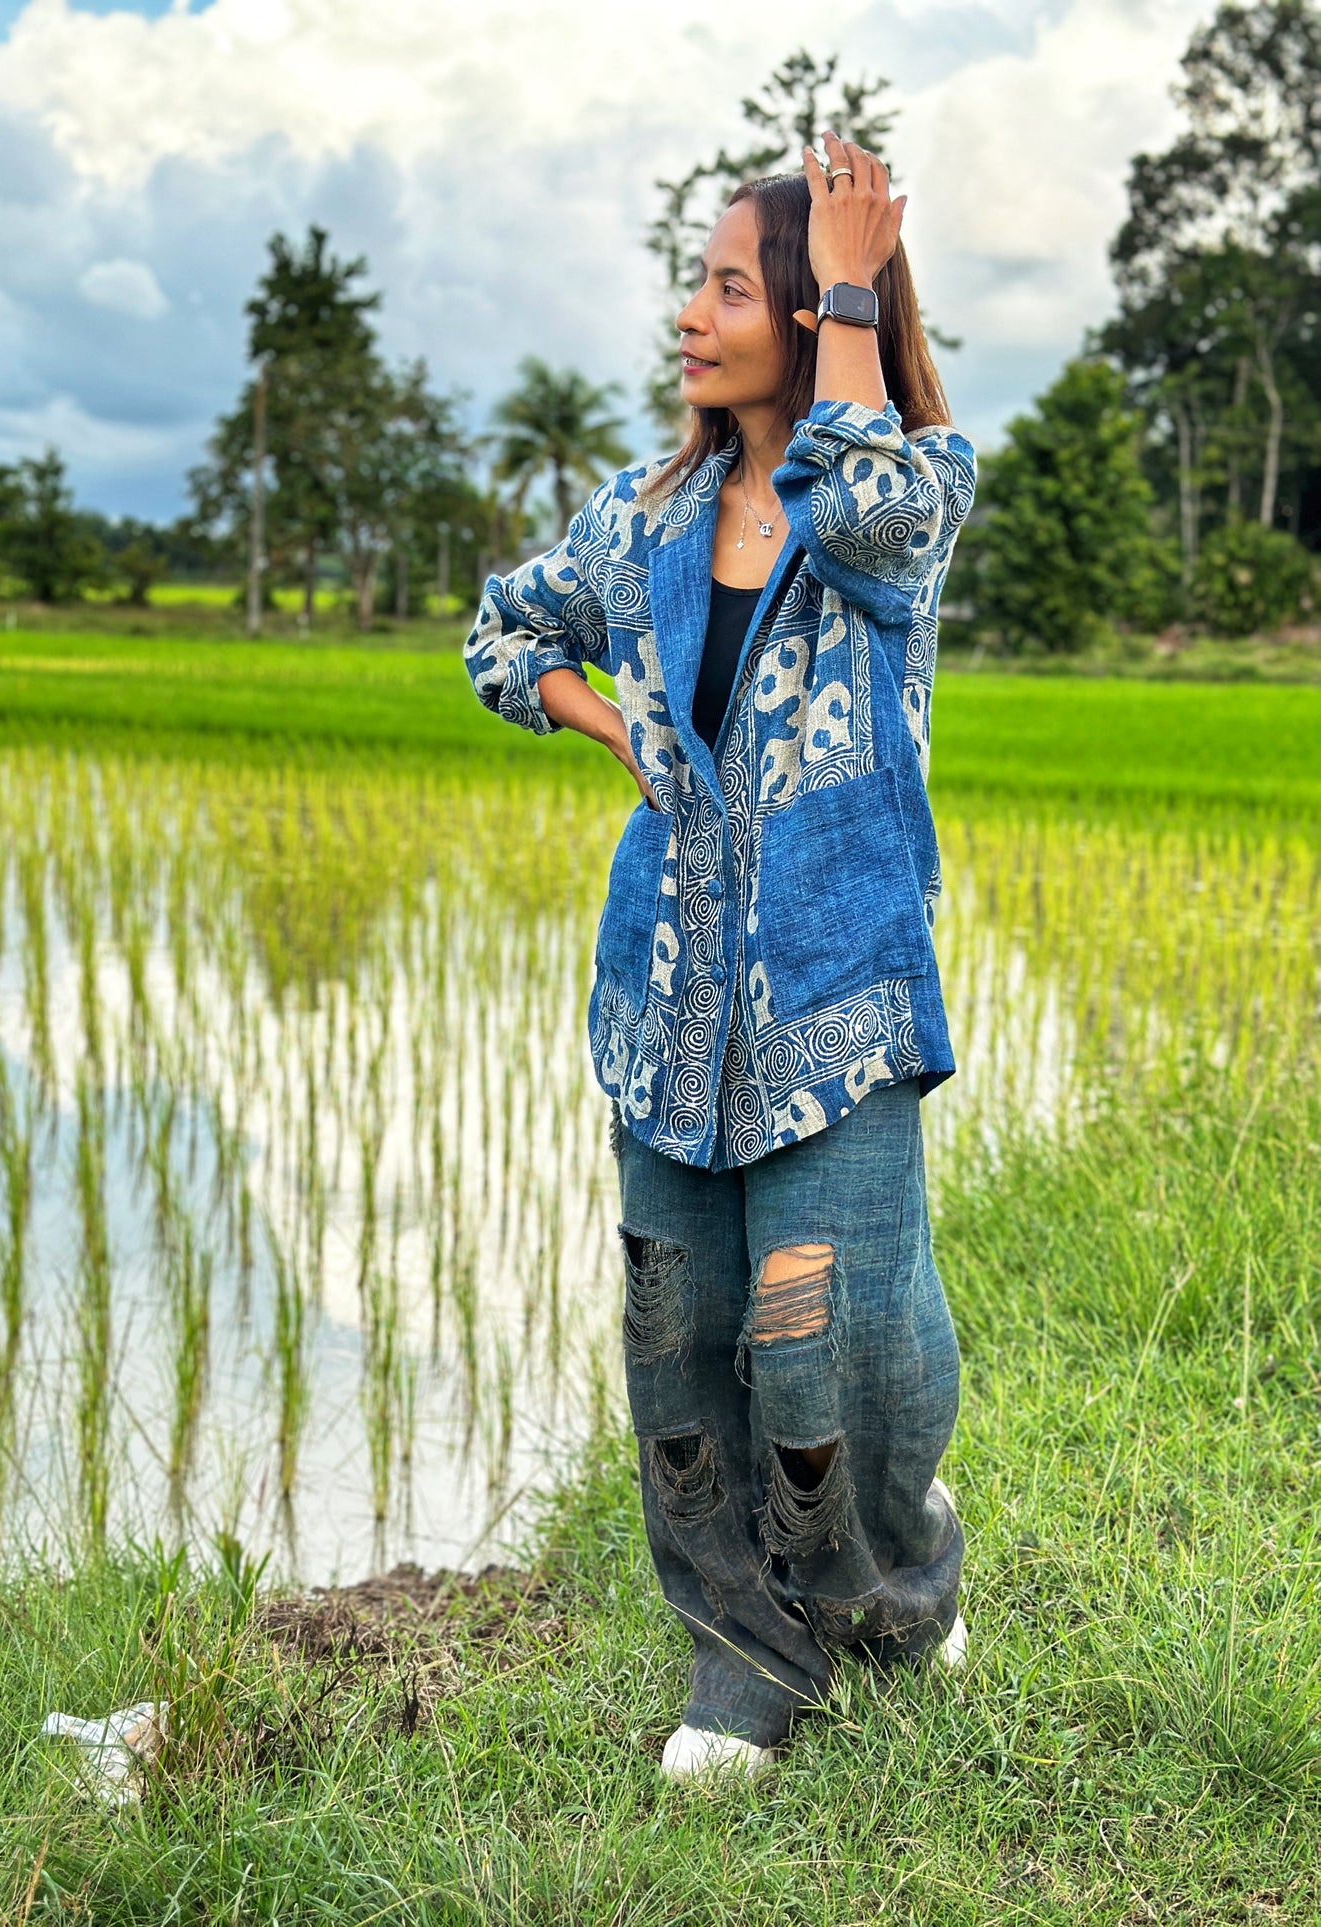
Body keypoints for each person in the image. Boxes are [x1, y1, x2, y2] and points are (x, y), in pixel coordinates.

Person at [464, 132, 977, 1780]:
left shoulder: (899, 491)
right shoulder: (644, 513)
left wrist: (844, 291)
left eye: (726, 285)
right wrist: (603, 715)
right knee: (676, 1343)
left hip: (835, 1001)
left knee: (830, 1349)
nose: (689, 314)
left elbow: (868, 506)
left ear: (817, 311)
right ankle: (742, 1665)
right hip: (665, 1010)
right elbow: (504, 628)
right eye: (695, 281)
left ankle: (896, 1584)